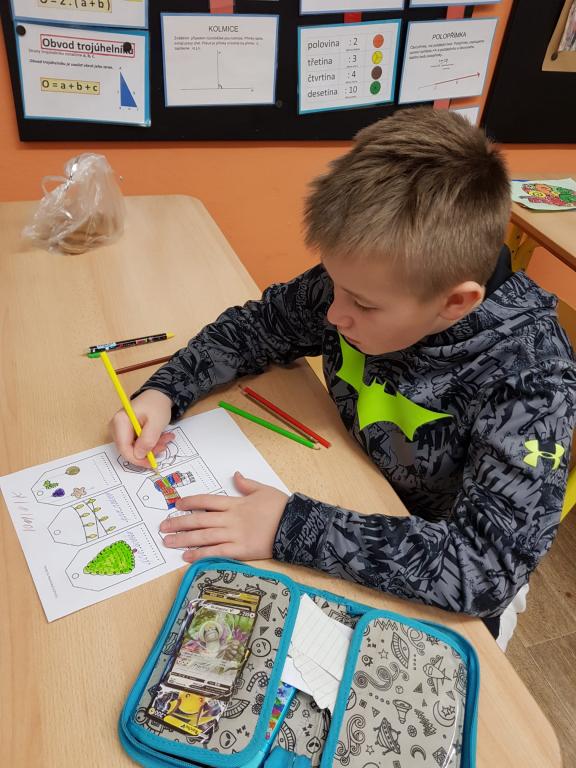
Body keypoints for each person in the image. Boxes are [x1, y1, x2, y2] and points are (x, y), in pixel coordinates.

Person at [111, 107, 576, 647]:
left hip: (441, 573)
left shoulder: (533, 380)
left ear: (455, 302)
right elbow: (262, 326)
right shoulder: (373, 277)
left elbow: (481, 569)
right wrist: (166, 389)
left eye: (362, 305)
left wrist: (290, 527)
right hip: (356, 482)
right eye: (334, 285)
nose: (333, 314)